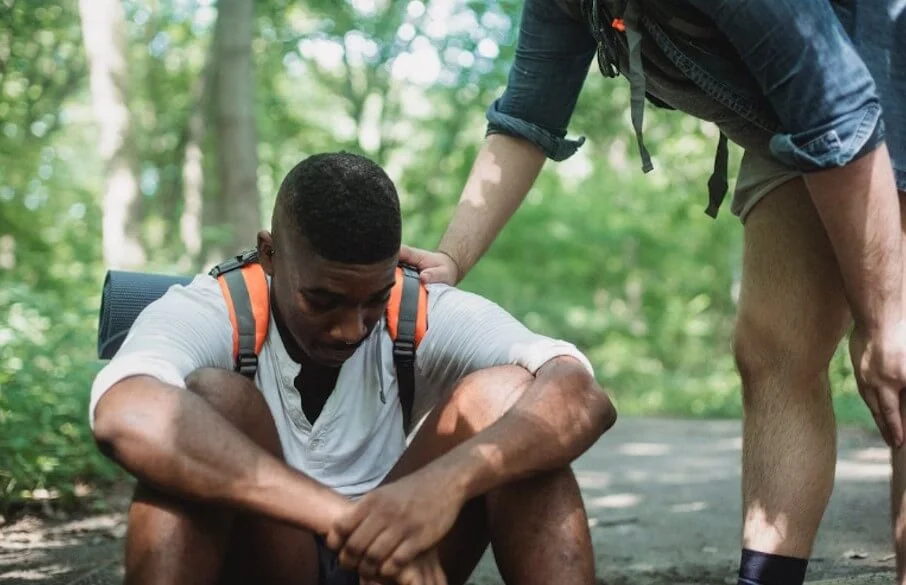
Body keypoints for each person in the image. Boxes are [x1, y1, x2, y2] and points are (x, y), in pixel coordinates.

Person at [399, 1, 906, 584]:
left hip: (877, 81)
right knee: (772, 349)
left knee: (900, 363)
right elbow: (526, 117)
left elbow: (840, 108)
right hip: (796, 122)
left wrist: (885, 318)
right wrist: (452, 256)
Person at [88, 151, 616, 585]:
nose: (350, 327)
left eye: (373, 299)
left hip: (401, 563)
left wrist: (446, 485)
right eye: (323, 301)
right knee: (211, 402)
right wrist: (342, 518)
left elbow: (582, 396)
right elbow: (124, 412)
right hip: (270, 562)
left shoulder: (422, 309)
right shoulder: (211, 308)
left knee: (510, 402)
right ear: (269, 255)